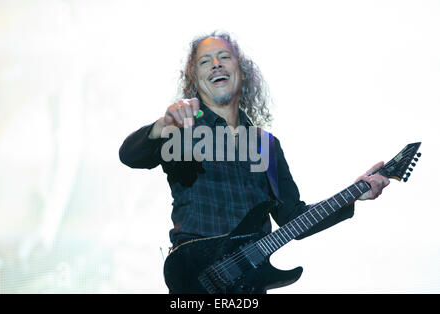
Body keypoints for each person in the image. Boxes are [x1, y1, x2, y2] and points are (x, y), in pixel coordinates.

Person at [118, 31, 389, 291]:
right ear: (194, 78)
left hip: (249, 285)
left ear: (242, 71)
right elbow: (130, 156)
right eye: (204, 61)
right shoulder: (183, 130)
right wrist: (162, 125)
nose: (215, 64)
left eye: (224, 57)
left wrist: (353, 195)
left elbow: (292, 217)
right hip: (195, 280)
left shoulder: (266, 145)